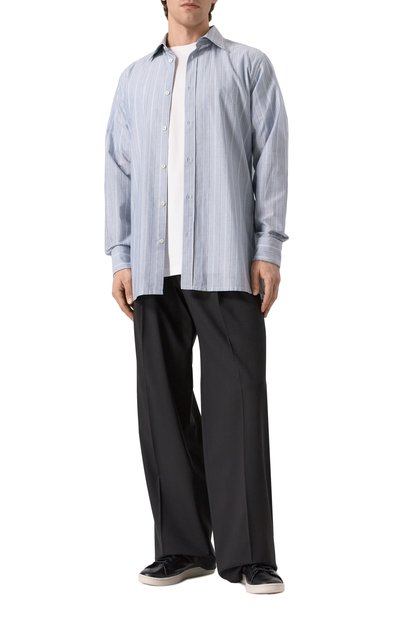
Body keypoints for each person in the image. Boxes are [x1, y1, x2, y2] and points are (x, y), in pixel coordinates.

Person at [104, 0, 289, 595]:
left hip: (227, 259)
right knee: (161, 408)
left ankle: (250, 556)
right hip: (152, 266)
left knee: (239, 405)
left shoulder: (248, 65)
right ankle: (182, 548)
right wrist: (122, 256)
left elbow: (271, 157)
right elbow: (119, 169)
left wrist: (268, 248)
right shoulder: (134, 78)